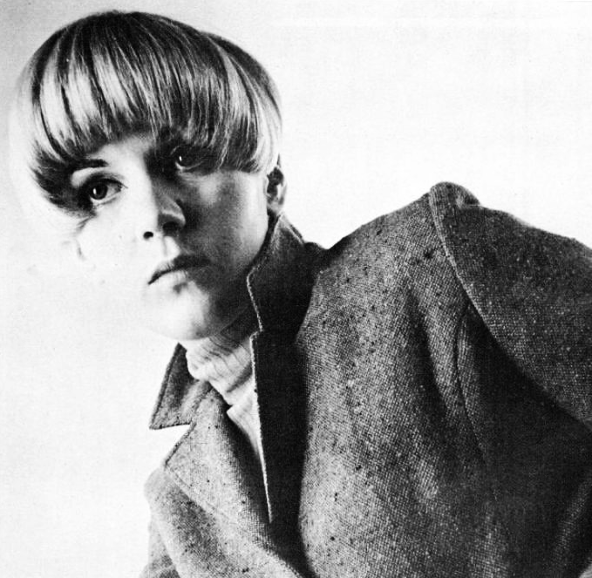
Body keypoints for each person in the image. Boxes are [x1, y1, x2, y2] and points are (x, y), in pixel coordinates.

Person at [8, 10, 592, 578]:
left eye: (183, 158)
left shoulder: (433, 266)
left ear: (271, 182)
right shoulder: (178, 510)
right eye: (101, 189)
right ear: (82, 250)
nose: (154, 216)